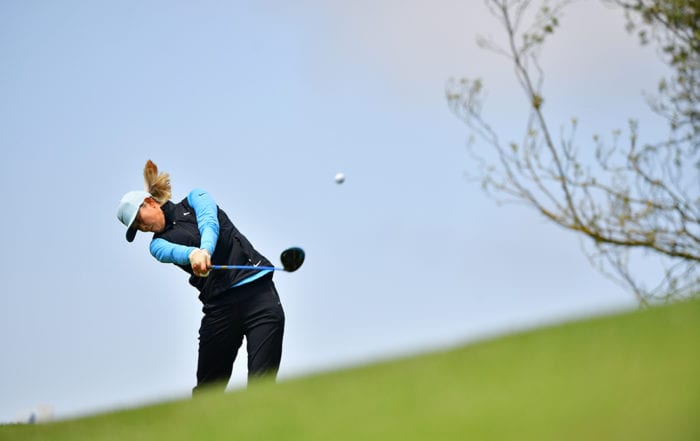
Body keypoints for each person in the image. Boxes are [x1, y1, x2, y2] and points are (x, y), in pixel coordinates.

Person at [116, 160, 285, 393]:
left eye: (138, 220)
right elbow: (178, 253)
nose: (141, 228)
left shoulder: (196, 198)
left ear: (149, 203)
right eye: (136, 228)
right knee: (208, 394)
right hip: (220, 310)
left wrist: (204, 249)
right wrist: (194, 254)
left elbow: (209, 222)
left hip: (260, 298)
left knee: (262, 388)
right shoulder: (157, 246)